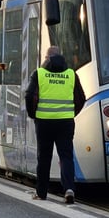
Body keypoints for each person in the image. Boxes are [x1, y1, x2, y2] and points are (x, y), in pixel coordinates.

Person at [25, 45, 86, 204]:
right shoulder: (71, 75)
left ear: (47, 58)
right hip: (65, 122)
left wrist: (34, 115)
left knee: (44, 157)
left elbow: (29, 95)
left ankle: (41, 192)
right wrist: (71, 113)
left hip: (44, 122)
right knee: (66, 156)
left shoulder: (39, 74)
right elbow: (81, 98)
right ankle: (69, 189)